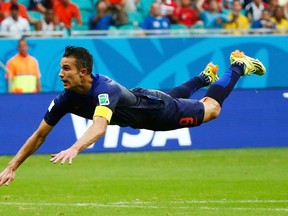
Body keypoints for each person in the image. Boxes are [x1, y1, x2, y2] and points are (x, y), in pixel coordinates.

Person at [0, 46, 266, 186]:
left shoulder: (104, 90)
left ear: (83, 72)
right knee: (173, 97)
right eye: (60, 67)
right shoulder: (65, 98)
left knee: (212, 109)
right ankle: (204, 77)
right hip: (145, 102)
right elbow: (39, 135)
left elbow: (100, 126)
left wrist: (75, 147)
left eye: (66, 69)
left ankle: (238, 66)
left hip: (159, 113)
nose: (60, 73)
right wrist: (12, 166)